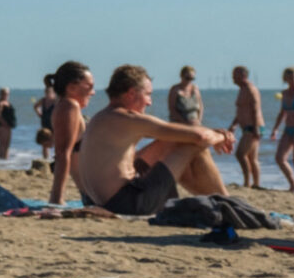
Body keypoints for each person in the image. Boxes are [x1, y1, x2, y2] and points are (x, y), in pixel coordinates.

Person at [74, 65, 232, 214]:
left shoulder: (102, 117)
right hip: (127, 203)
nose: (150, 102)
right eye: (148, 94)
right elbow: (200, 137)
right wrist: (222, 136)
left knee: (171, 140)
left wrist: (210, 132)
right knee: (192, 143)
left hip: (105, 200)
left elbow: (177, 134)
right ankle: (228, 203)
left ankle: (221, 201)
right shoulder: (128, 119)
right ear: (131, 93)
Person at [45, 61, 94, 207]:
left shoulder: (68, 106)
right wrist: (56, 199)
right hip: (97, 197)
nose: (93, 92)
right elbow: (62, 154)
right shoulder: (68, 106)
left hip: (96, 195)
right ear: (72, 87)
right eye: (89, 86)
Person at [228, 65, 264, 189]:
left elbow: (255, 109)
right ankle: (256, 184)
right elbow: (241, 110)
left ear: (243, 76)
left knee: (240, 154)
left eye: (235, 75)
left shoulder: (250, 89)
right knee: (252, 158)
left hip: (253, 126)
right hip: (247, 127)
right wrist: (234, 124)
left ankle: (247, 182)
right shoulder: (242, 89)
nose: (233, 78)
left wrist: (256, 128)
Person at [32, 74, 58, 163]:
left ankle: (55, 158)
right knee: (44, 142)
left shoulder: (55, 100)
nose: (48, 94)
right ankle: (45, 159)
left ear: (52, 92)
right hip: (45, 123)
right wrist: (39, 114)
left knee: (54, 141)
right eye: (46, 92)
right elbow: (35, 106)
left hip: (53, 123)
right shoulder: (43, 100)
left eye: (49, 92)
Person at [0, 87, 16, 159]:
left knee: (7, 144)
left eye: (7, 94)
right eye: (4, 94)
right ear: (0, 94)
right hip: (1, 125)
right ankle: (1, 158)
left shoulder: (7, 102)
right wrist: (4, 124)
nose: (6, 95)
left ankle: (5, 158)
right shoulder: (0, 103)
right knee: (2, 143)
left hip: (8, 125)